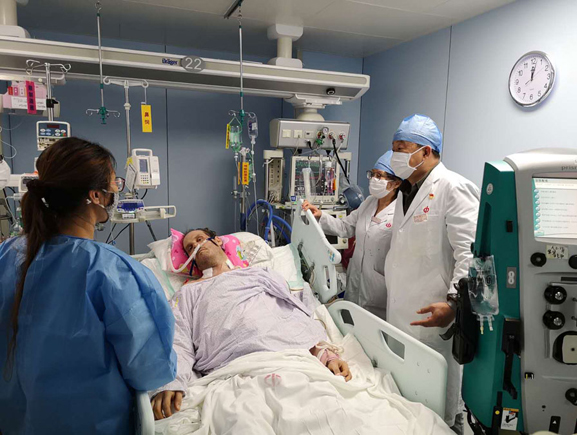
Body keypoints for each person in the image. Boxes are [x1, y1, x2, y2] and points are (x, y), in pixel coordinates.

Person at [0, 138, 177, 434]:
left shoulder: (6, 255)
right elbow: (150, 369)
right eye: (115, 182)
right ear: (96, 196)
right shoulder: (112, 272)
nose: (117, 189)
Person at [150, 228, 352, 420]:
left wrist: (326, 354)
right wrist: (172, 380)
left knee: (332, 413)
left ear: (217, 240)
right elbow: (178, 338)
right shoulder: (187, 293)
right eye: (189, 247)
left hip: (288, 356)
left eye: (200, 239)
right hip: (232, 370)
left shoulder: (260, 274)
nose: (196, 246)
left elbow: (294, 311)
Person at [384, 114, 480, 434]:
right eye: (393, 147)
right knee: (407, 408)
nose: (395, 154)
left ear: (426, 152)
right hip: (401, 312)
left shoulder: (454, 188)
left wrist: (453, 303)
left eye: (402, 148)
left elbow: (470, 254)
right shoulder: (406, 190)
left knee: (438, 411)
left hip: (434, 315)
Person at [302, 151, 401, 319]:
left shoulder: (400, 212)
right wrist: (320, 215)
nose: (373, 179)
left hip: (379, 287)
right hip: (355, 280)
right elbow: (345, 227)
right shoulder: (369, 202)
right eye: (372, 174)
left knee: (372, 327)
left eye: (379, 176)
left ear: (396, 183)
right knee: (350, 322)